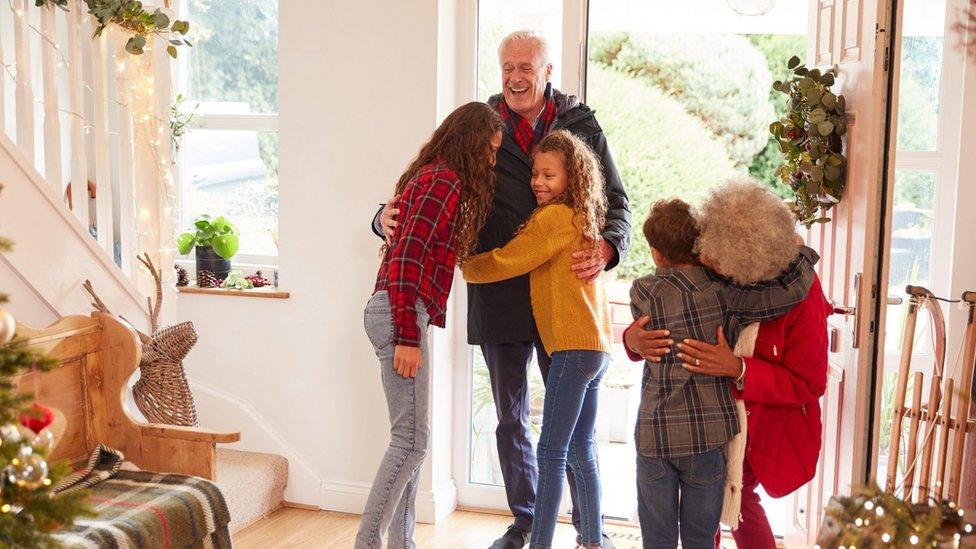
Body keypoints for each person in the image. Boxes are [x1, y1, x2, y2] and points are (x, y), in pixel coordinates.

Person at [372, 30, 644, 549]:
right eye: (506, 68)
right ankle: (525, 525)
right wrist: (382, 218)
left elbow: (618, 201)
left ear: (547, 72)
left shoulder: (580, 125)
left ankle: (591, 532)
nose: (516, 77)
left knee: (573, 433)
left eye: (527, 67)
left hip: (563, 295)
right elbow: (429, 177)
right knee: (511, 418)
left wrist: (609, 248)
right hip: (499, 292)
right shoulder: (482, 126)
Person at [625, 187, 818, 549]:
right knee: (704, 528)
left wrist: (739, 369)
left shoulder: (643, 290)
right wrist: (632, 341)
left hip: (727, 423)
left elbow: (807, 383)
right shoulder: (725, 290)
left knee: (680, 526)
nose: (708, 261)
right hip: (711, 431)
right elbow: (776, 298)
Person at [355, 102, 505, 549]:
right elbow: (405, 261)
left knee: (414, 436)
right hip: (400, 310)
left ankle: (403, 543)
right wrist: (407, 335)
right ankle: (367, 543)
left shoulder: (436, 176)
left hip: (402, 309)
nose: (492, 161)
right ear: (470, 143)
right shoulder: (444, 181)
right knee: (411, 440)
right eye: (490, 151)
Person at [462, 130, 612, 549]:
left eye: (549, 175)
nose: (538, 183)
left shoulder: (553, 219)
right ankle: (593, 542)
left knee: (550, 451)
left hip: (572, 348)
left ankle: (541, 543)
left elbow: (509, 259)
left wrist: (466, 266)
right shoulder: (582, 215)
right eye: (535, 174)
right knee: (581, 448)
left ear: (572, 178)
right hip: (595, 348)